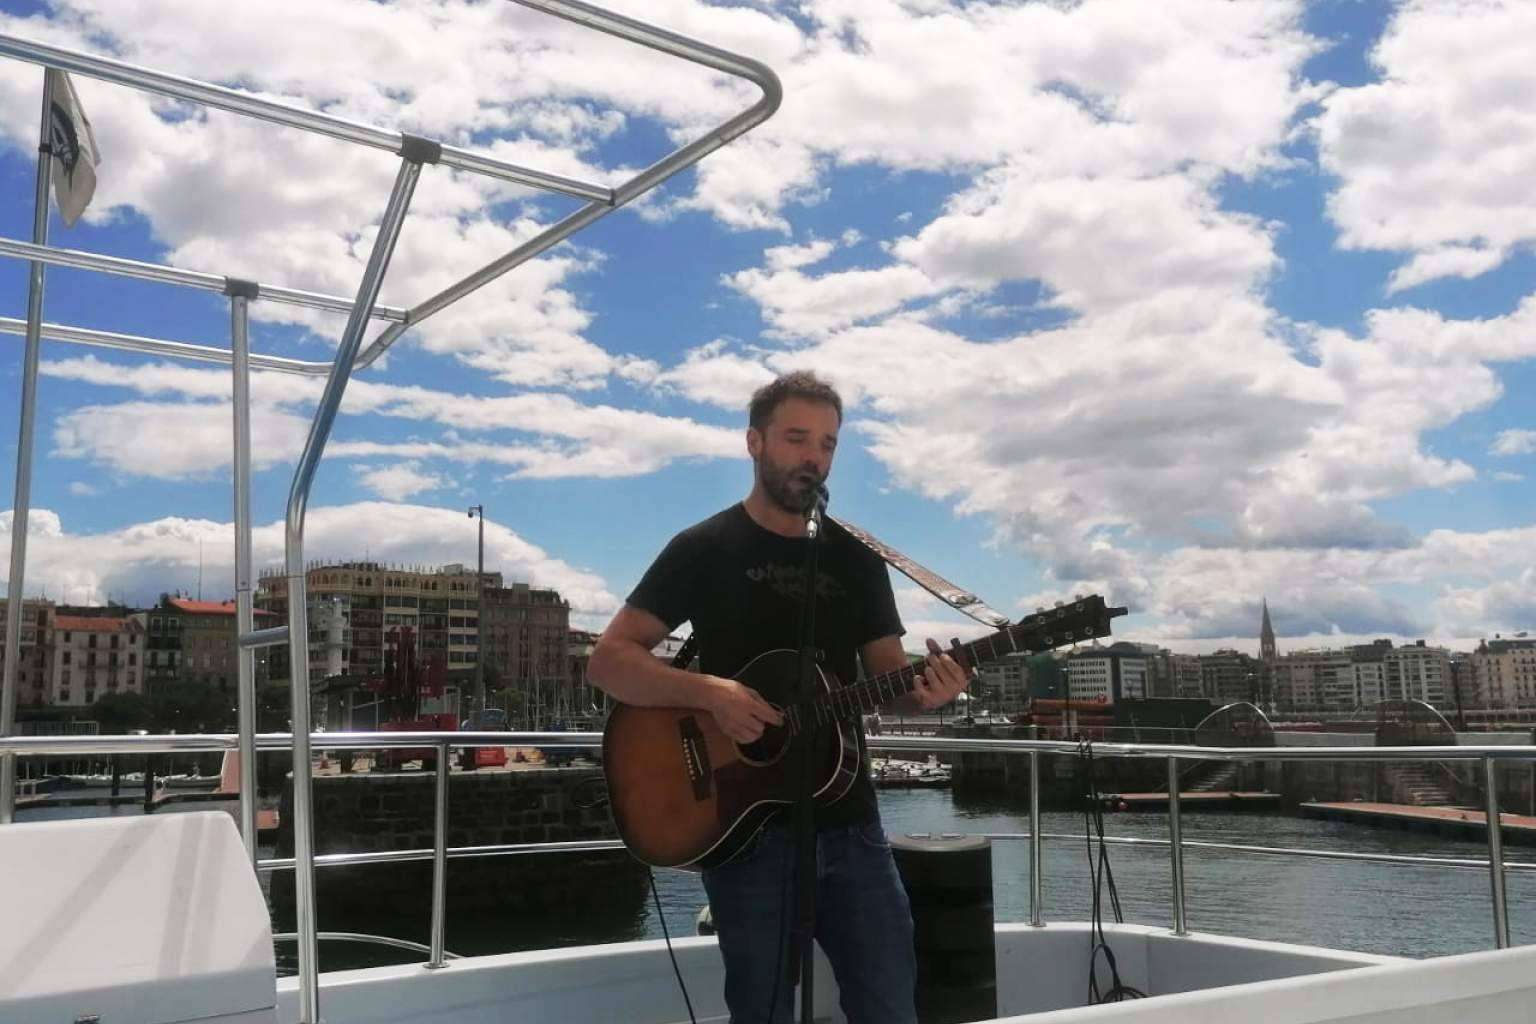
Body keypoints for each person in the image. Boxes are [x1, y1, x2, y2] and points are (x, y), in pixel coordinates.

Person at [588, 370, 971, 1023]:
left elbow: (888, 680)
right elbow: (608, 661)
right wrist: (709, 693)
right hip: (746, 832)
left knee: (890, 1005)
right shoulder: (704, 549)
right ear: (754, 443)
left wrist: (931, 691)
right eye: (797, 438)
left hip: (852, 824)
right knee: (761, 1012)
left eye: (827, 444)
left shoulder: (857, 558)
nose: (814, 458)